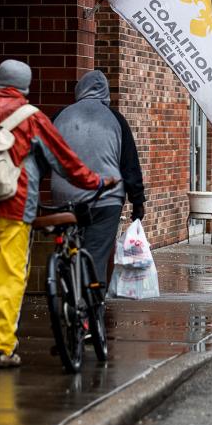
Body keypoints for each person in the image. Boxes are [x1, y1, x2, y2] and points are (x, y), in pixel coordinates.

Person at [0, 60, 117, 370]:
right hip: (15, 207)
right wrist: (97, 181)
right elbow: (66, 162)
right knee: (9, 275)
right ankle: (2, 346)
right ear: (26, 86)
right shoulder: (31, 118)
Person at [50, 70, 146, 288]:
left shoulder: (59, 116)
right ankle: (93, 305)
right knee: (97, 256)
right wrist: (138, 203)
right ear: (105, 92)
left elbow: (41, 156)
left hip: (65, 198)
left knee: (68, 248)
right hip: (105, 200)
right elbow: (130, 166)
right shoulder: (116, 119)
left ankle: (67, 293)